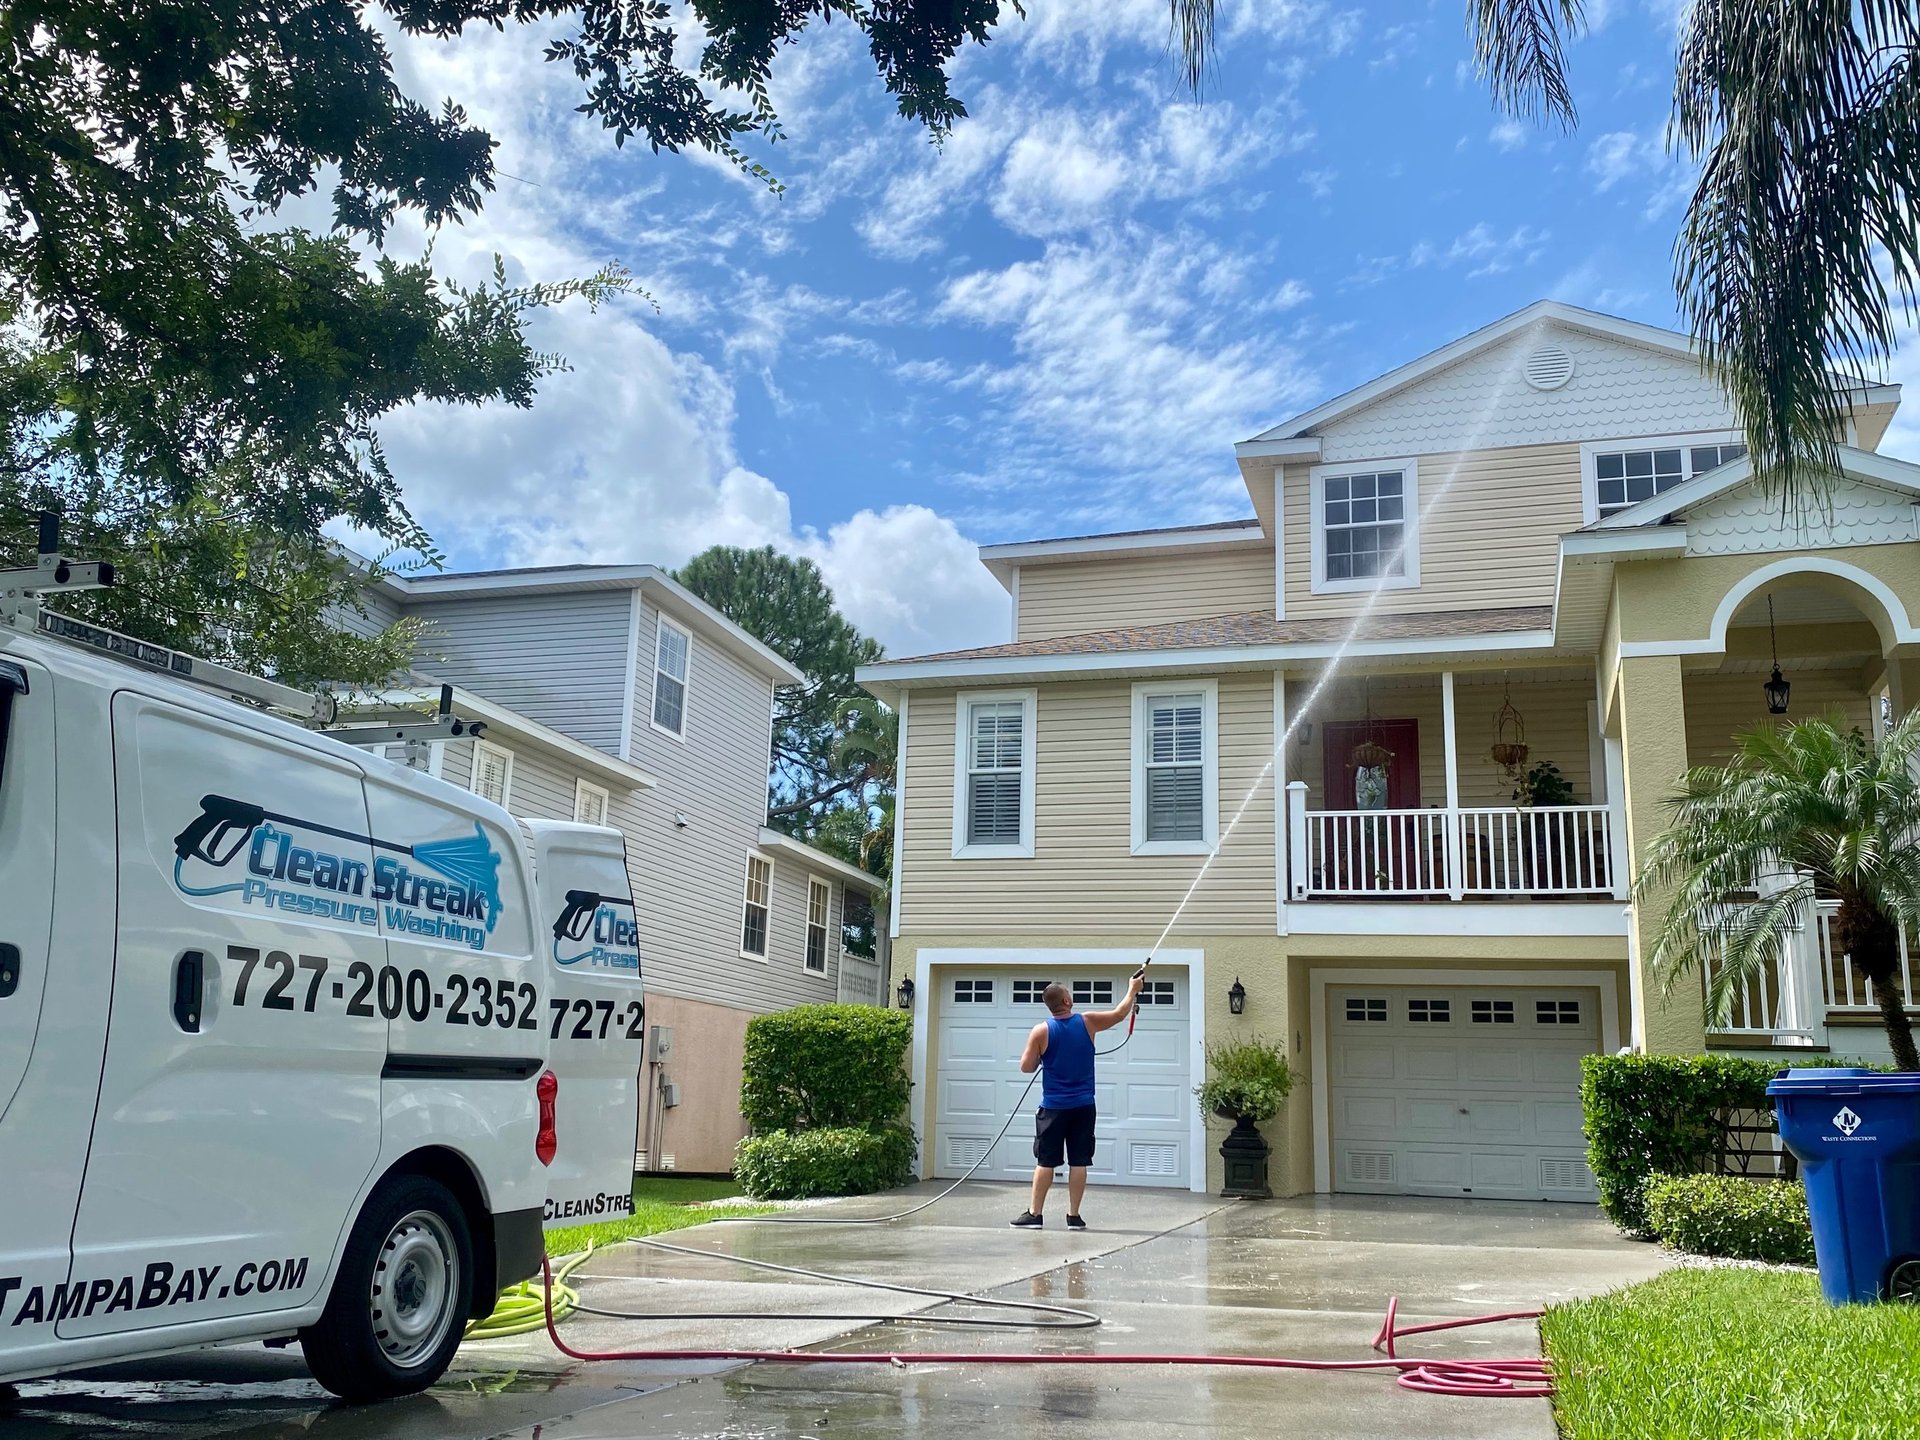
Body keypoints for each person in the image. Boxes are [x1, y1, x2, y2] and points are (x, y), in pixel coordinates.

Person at [1009, 970, 1145, 1229]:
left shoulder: (1040, 1031)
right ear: (1067, 1002)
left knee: (1045, 1161)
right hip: (1083, 1106)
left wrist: (1042, 1056)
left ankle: (1035, 1215)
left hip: (1053, 1109)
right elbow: (1119, 1014)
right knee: (1079, 1161)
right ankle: (1074, 1216)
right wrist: (1131, 989)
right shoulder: (1088, 1022)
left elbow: (1026, 1067)